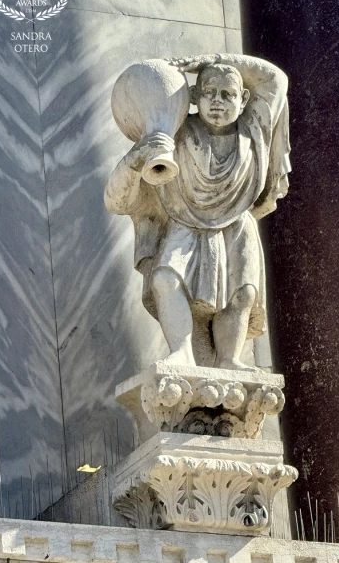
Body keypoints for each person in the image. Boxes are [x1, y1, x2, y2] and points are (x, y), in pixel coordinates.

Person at [105, 53, 291, 371]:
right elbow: (115, 201)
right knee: (165, 280)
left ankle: (229, 358)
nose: (217, 102)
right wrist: (137, 157)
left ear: (243, 98)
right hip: (184, 222)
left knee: (242, 293)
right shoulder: (177, 133)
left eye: (227, 94)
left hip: (236, 225)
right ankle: (182, 351)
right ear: (194, 96)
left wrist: (206, 61)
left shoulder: (253, 132)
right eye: (208, 93)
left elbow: (275, 78)